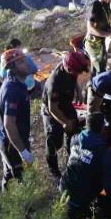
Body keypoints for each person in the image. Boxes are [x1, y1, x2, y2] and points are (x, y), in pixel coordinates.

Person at [59, 112, 111, 219]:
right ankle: (85, 213)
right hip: (83, 197)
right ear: (102, 128)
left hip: (64, 188)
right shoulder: (104, 152)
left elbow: (78, 161)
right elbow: (108, 185)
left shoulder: (74, 139)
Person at [43, 51, 91, 182]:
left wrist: (79, 92)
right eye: (76, 72)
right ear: (68, 69)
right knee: (53, 142)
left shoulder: (72, 68)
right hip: (53, 111)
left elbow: (74, 79)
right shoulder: (55, 82)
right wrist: (64, 122)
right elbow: (53, 108)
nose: (78, 74)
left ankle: (72, 162)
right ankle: (54, 171)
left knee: (74, 133)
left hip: (66, 104)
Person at [0, 49, 35, 190]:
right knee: (20, 178)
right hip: (11, 143)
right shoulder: (12, 90)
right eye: (21, 61)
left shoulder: (19, 84)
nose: (26, 63)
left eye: (25, 59)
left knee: (10, 173)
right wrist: (22, 151)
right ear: (12, 67)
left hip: (16, 139)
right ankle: (22, 209)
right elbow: (9, 124)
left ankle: (5, 194)